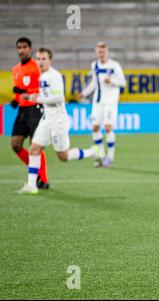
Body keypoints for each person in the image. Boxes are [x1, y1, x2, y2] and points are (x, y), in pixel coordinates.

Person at [17, 48, 101, 194]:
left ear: (50, 60)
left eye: (44, 59)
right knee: (34, 149)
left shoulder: (54, 76)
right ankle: (32, 185)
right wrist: (32, 97)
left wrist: (38, 99)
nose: (41, 62)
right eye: (38, 59)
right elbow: (45, 95)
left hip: (58, 122)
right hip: (46, 120)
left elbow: (58, 98)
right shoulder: (42, 77)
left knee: (63, 156)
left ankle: (93, 151)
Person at [79, 42, 126, 168]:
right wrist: (84, 93)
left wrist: (112, 81)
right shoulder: (94, 65)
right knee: (95, 128)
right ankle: (100, 155)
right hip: (97, 101)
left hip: (110, 102)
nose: (101, 54)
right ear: (96, 52)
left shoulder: (114, 65)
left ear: (107, 52)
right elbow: (94, 82)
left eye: (103, 51)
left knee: (108, 127)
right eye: (99, 52)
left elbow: (123, 83)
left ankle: (110, 157)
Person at [10, 37, 49, 189]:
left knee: (36, 145)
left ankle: (43, 179)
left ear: (30, 49)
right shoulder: (15, 69)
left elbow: (42, 89)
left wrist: (24, 91)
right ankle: (36, 169)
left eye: (24, 47)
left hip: (36, 108)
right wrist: (15, 99)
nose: (21, 50)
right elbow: (19, 90)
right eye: (19, 47)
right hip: (22, 109)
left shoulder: (37, 67)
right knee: (15, 145)